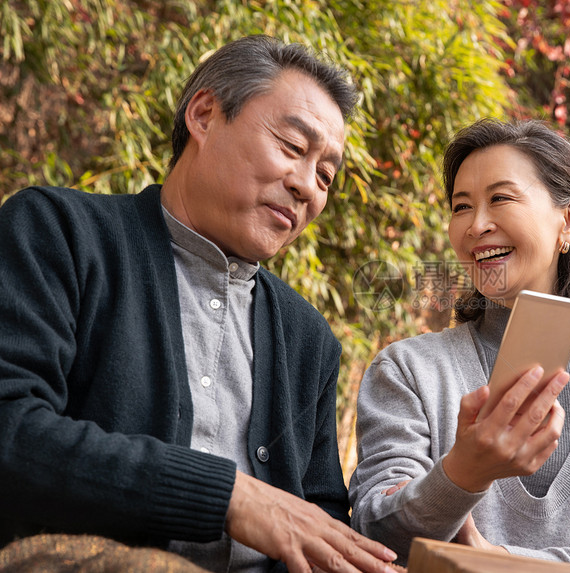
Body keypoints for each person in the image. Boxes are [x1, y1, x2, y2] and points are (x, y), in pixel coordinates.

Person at [0, 35, 399, 573]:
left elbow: (321, 514)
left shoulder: (309, 339)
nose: (308, 186)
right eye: (291, 146)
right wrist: (230, 495)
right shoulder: (58, 233)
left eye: (326, 176)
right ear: (205, 115)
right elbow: (12, 431)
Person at [348, 119, 570, 572]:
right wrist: (460, 475)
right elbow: (373, 536)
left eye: (501, 198)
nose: (476, 225)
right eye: (461, 206)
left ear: (568, 220)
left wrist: (499, 562)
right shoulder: (408, 371)